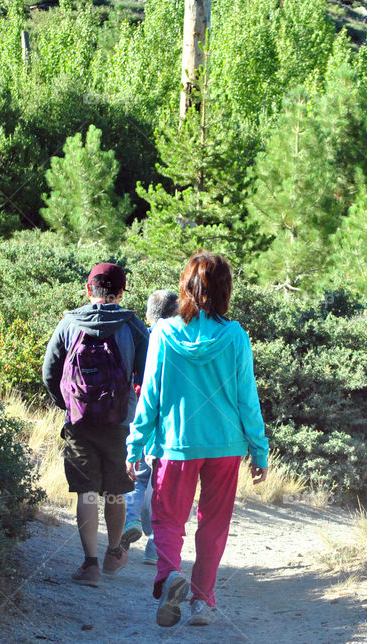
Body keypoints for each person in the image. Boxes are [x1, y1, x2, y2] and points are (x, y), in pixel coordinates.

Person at [127, 251, 269, 628]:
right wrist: (259, 449)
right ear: (225, 289)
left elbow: (151, 395)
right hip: (225, 446)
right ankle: (202, 602)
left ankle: (170, 575)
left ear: (186, 287)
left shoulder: (164, 332)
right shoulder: (235, 336)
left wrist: (136, 444)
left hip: (176, 445)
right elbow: (246, 398)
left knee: (168, 518)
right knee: (213, 524)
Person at [42, 262, 149, 588]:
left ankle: (89, 565)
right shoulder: (133, 327)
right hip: (120, 423)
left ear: (89, 290)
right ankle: (114, 553)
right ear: (121, 291)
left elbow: (50, 372)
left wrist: (69, 405)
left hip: (79, 422)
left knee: (86, 493)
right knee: (115, 492)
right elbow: (147, 378)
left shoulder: (69, 324)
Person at [121, 289, 180, 565]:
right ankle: (155, 546)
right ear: (178, 312)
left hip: (139, 415)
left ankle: (130, 520)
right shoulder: (178, 338)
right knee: (162, 483)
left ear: (148, 313)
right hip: (170, 421)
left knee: (139, 477)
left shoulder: (140, 335)